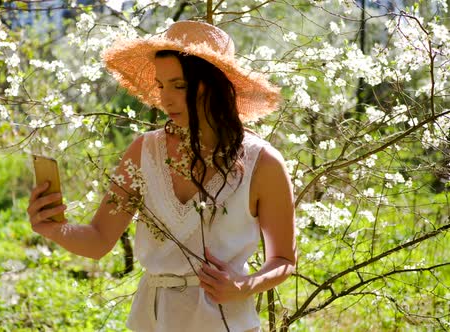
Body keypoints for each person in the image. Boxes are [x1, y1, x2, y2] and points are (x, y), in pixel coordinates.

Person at [27, 20, 296, 332]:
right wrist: (53, 229)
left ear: (213, 85)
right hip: (152, 320)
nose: (165, 99)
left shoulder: (262, 162)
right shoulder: (144, 151)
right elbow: (99, 240)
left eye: (178, 86)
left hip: (226, 322)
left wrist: (243, 286)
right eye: (161, 85)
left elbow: (284, 260)